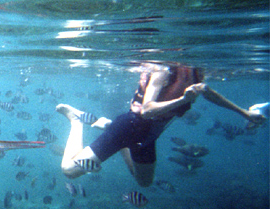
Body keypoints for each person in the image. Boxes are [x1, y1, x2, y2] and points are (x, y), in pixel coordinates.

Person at [56, 63, 267, 187]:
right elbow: (147, 110)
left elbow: (209, 93)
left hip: (148, 137)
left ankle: (117, 140)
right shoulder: (163, 70)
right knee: (69, 170)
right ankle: (76, 121)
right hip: (130, 126)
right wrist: (183, 100)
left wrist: (244, 113)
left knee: (144, 183)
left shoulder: (196, 71)